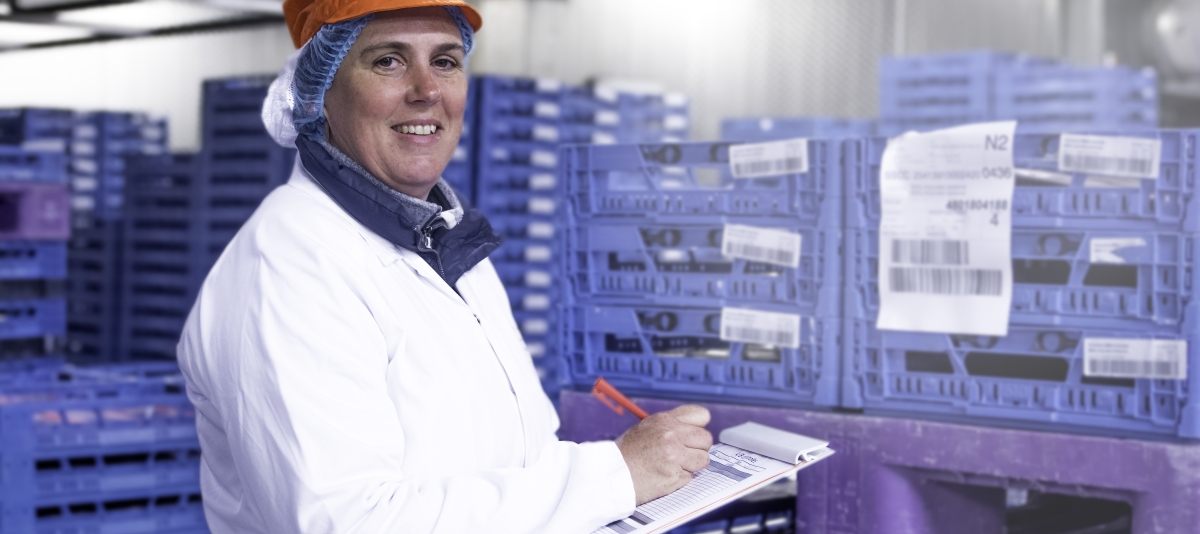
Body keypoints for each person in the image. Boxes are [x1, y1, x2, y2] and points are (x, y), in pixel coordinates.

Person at [176, 1, 714, 532]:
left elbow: (520, 457)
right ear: (319, 92)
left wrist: (620, 484)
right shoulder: (289, 267)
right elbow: (349, 521)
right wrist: (615, 476)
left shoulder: (447, 244)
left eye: (445, 61)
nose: (427, 90)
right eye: (388, 60)